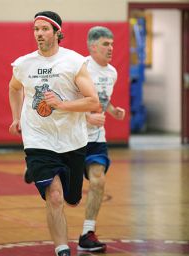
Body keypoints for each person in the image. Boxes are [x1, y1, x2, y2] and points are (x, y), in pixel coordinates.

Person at [8, 11, 100, 256]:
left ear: (57, 32)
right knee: (55, 196)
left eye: (44, 29)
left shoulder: (74, 62)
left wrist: (63, 105)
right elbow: (14, 88)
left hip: (72, 140)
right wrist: (17, 117)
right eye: (36, 29)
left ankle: (47, 175)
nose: (39, 33)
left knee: (71, 198)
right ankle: (62, 249)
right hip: (38, 138)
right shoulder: (24, 64)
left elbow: (93, 102)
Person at [77, 26, 126, 253]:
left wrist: (113, 111)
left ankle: (87, 233)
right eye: (106, 44)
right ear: (93, 46)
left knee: (98, 181)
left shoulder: (112, 73)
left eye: (112, 43)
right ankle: (40, 167)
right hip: (73, 139)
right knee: (62, 191)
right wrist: (86, 116)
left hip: (96, 140)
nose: (111, 48)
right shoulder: (80, 68)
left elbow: (104, 99)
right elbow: (65, 103)